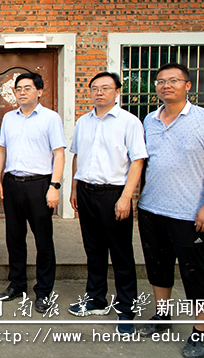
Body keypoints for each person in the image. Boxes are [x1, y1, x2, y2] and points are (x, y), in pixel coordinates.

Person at [137, 63, 204, 358]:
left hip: (190, 213)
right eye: (161, 81)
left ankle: (201, 331)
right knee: (158, 267)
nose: (166, 86)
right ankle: (163, 316)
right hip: (150, 208)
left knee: (195, 272)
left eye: (173, 80)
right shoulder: (149, 120)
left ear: (188, 86)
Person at [68, 72, 147, 336]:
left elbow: (137, 161)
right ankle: (96, 300)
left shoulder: (129, 122)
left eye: (105, 88)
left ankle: (127, 310)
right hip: (87, 193)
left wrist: (127, 196)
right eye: (95, 88)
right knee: (94, 249)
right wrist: (74, 188)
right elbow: (77, 156)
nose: (99, 92)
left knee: (122, 254)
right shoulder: (83, 122)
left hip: (115, 194)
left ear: (117, 92)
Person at [0, 72, 65, 314]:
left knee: (43, 239)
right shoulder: (8, 118)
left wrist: (54, 187)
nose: (22, 92)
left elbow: (59, 154)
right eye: (18, 89)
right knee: (14, 237)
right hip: (12, 182)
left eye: (27, 88)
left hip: (39, 184)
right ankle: (17, 284)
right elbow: (1, 150)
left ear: (39, 91)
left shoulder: (50, 118)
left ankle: (44, 291)